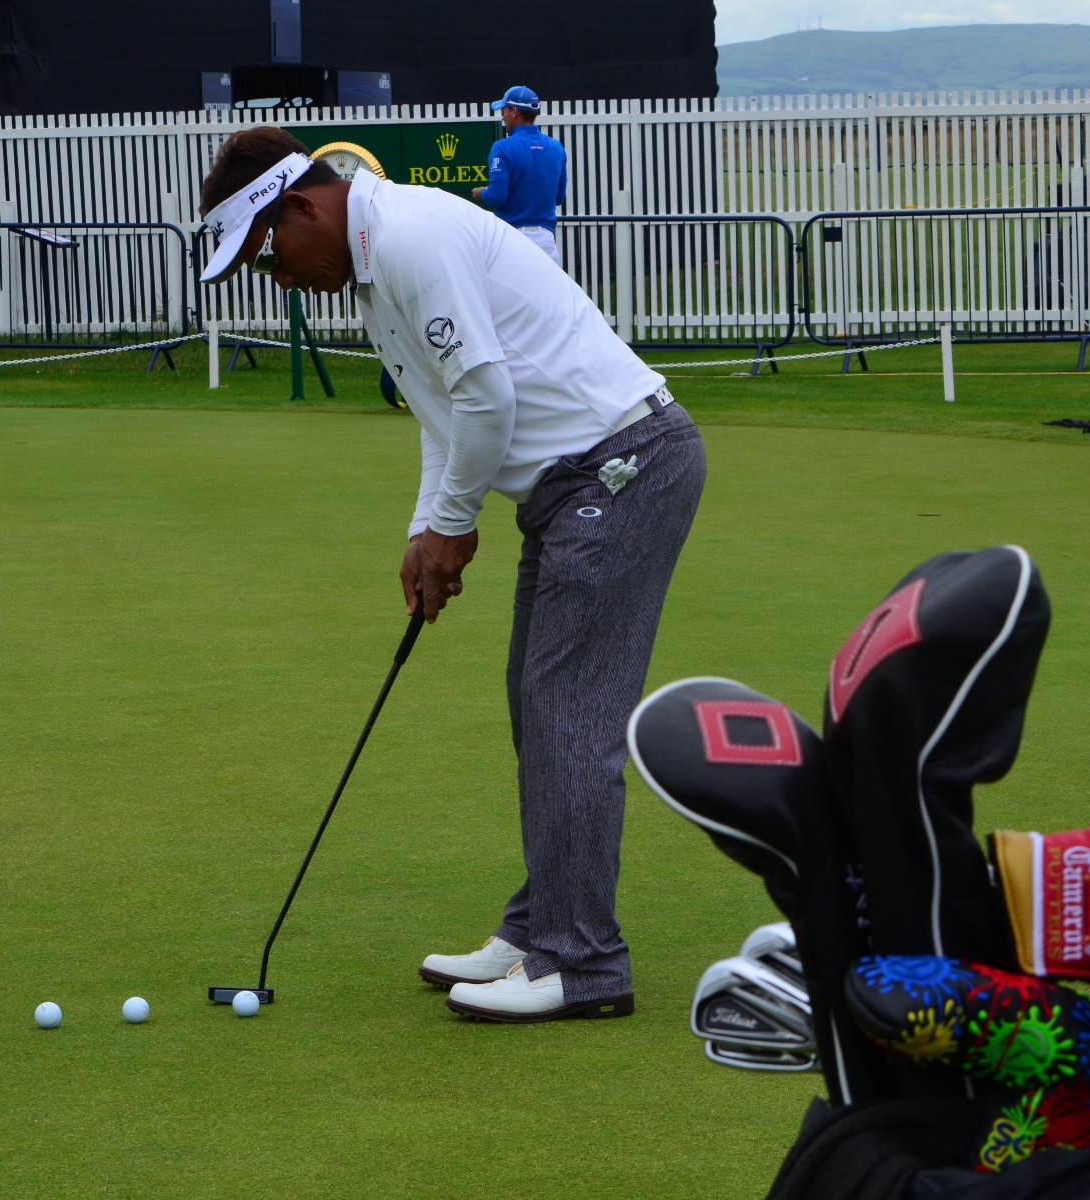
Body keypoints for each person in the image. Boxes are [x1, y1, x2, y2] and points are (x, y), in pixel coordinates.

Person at [196, 127, 706, 1022]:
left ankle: (583, 964)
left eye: (270, 256)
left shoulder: (407, 239)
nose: (279, 283)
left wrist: (456, 526)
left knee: (567, 715)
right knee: (536, 701)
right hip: (573, 487)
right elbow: (445, 411)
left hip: (623, 467)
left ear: (305, 206)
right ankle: (541, 929)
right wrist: (424, 529)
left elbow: (489, 397)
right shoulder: (371, 266)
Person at [470, 85, 568, 265]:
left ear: (514, 112)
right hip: (547, 240)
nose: (502, 115)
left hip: (512, 238)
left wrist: (480, 192)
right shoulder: (556, 148)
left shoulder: (502, 148)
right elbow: (559, 197)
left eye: (504, 110)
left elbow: (497, 197)